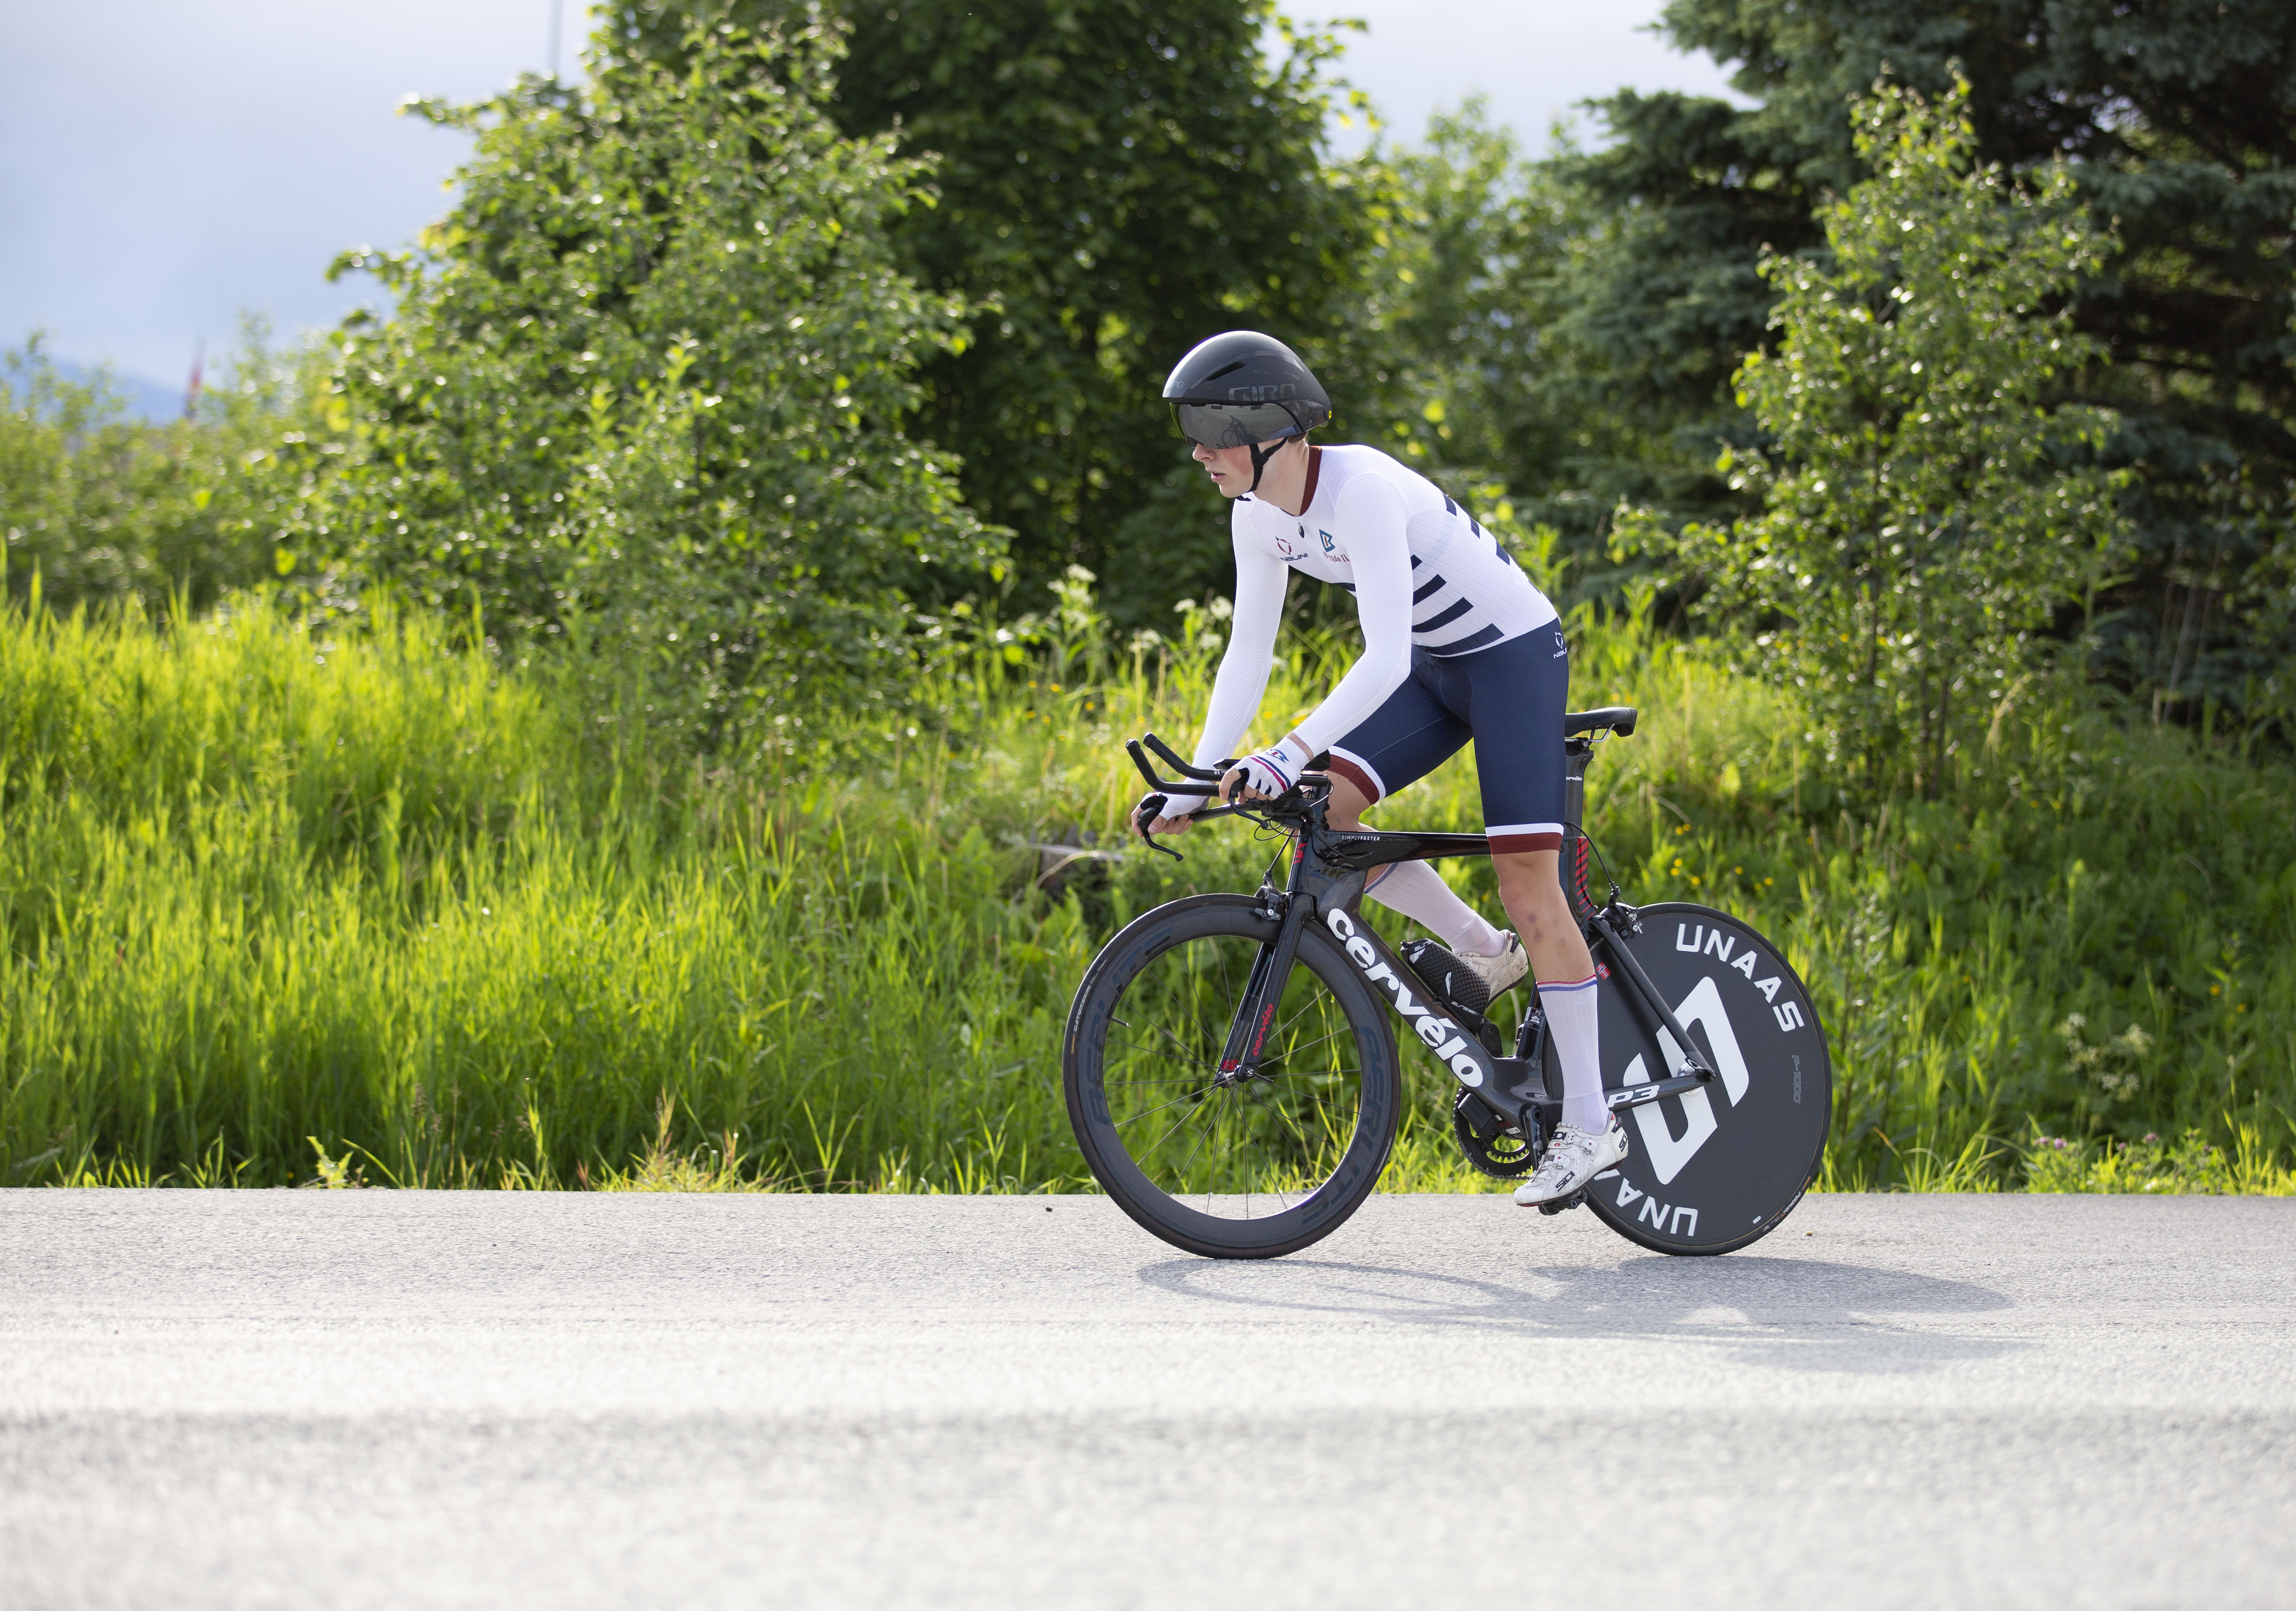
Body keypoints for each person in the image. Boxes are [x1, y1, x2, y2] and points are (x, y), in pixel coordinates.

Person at [1139, 330, 1628, 1208]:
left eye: (1212, 430)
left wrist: (1286, 752)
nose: (1198, 452)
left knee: (1528, 881)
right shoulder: (1256, 515)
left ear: (1275, 429)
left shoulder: (1359, 489)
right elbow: (1248, 651)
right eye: (1189, 430)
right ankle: (1485, 953)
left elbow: (1384, 657)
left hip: (1509, 658)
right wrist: (1198, 777)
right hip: (1437, 668)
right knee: (1330, 814)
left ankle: (1592, 1125)